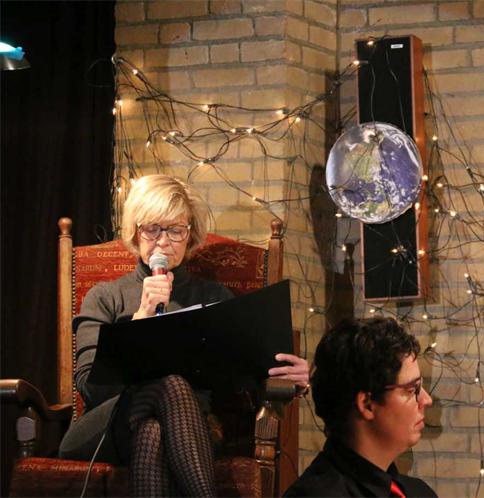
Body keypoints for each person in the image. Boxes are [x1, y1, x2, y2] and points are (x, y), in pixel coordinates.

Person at [59, 174, 308, 497]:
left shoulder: (213, 297)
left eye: (176, 230)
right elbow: (91, 388)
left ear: (190, 236)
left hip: (190, 429)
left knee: (152, 433)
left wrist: (292, 377)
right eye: (152, 228)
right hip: (109, 426)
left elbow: (246, 377)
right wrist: (142, 316)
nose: (163, 242)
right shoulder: (106, 296)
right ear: (135, 232)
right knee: (171, 385)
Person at [284, 317, 437, 498]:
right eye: (412, 390)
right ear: (367, 404)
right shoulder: (316, 494)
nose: (427, 400)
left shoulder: (418, 492)